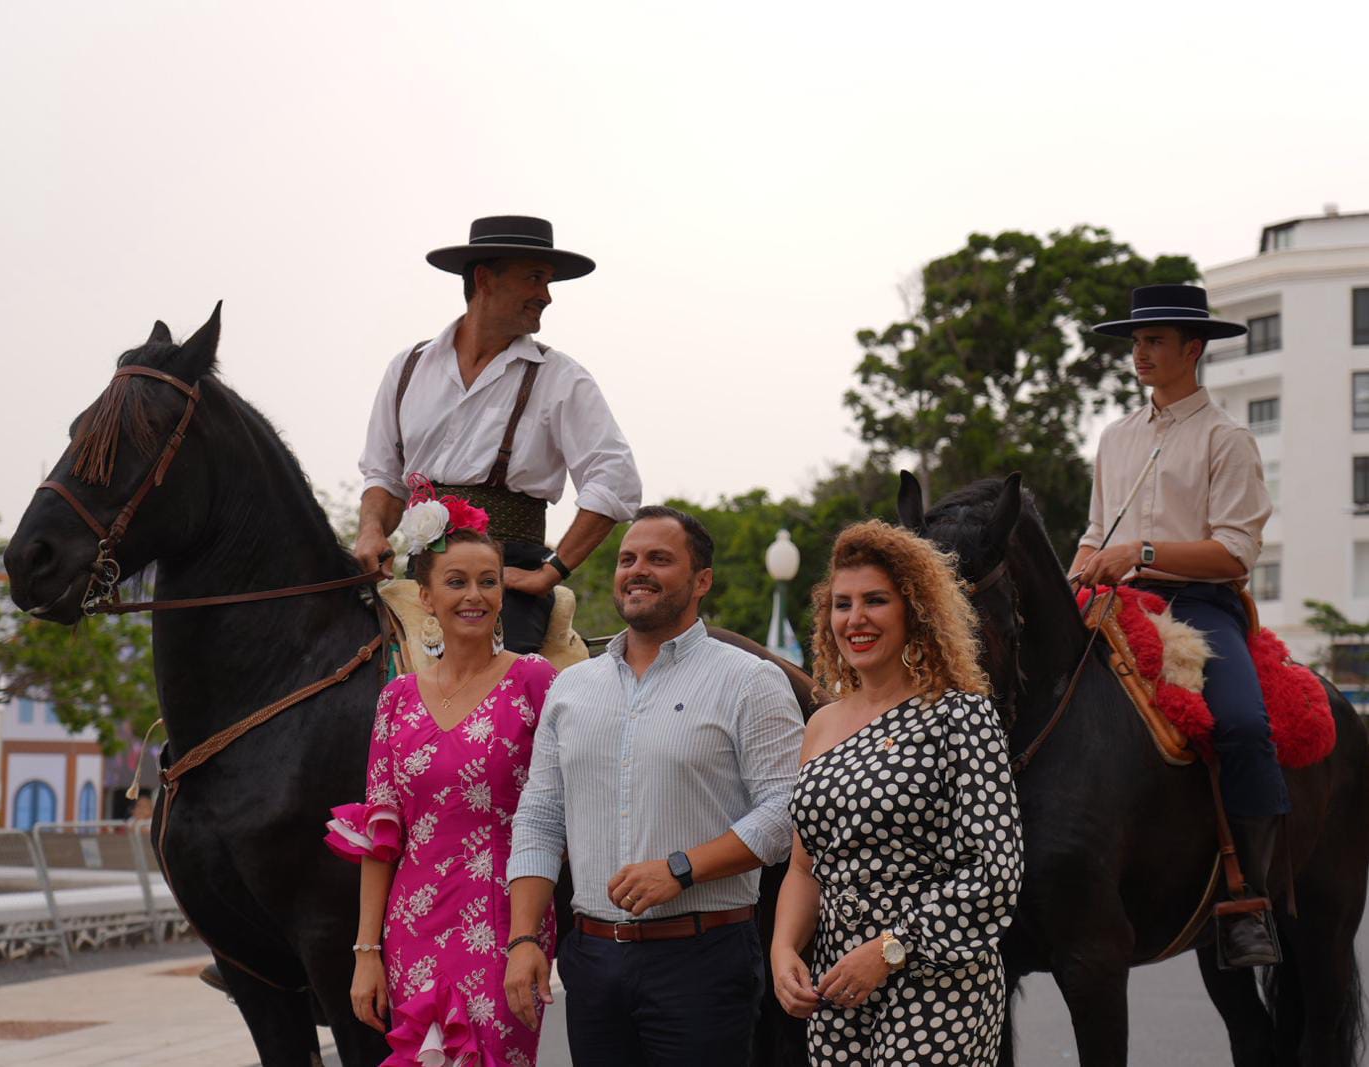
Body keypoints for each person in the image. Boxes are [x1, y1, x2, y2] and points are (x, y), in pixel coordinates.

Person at [503, 506, 805, 1066]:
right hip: (591, 961)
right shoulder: (571, 688)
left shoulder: (750, 680)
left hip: (704, 959)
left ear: (702, 581)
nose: (637, 570)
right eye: (627, 559)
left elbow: (787, 812)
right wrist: (525, 938)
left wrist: (680, 869)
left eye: (659, 559)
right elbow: (540, 816)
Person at [1073, 282, 1284, 968]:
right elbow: (1095, 532)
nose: (1140, 353)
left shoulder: (1228, 439)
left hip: (1198, 603)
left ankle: (1251, 894)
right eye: (1136, 341)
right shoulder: (1115, 437)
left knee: (1246, 725)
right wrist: (1073, 575)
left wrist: (1143, 552)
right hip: (1114, 602)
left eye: (1155, 341)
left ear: (1193, 349)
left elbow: (1236, 551)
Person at [771, 519, 1022, 1066]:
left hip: (939, 981)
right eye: (842, 604)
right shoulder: (821, 725)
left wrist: (889, 950)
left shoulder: (962, 716)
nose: (855, 619)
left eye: (875, 601)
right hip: (838, 984)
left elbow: (995, 871)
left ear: (915, 610)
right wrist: (784, 949)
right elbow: (802, 867)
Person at [324, 495, 559, 1066]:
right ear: (426, 597)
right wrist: (366, 951)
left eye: (489, 581)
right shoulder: (397, 698)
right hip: (412, 928)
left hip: (505, 923)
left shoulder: (534, 679)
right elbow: (383, 836)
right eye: (457, 582)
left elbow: (559, 808)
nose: (474, 595)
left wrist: (528, 935)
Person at [354, 215, 642, 654]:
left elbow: (616, 480)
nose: (545, 296)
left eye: (547, 282)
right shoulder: (408, 368)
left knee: (501, 698)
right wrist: (371, 530)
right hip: (423, 577)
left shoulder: (561, 378)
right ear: (485, 279)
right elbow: (384, 477)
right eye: (534, 278)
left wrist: (552, 571)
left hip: (507, 582)